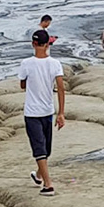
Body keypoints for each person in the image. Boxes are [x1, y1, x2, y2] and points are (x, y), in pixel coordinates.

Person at [19, 30, 66, 196]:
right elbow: (61, 87)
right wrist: (61, 113)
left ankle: (40, 176)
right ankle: (47, 184)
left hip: (35, 111)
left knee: (44, 149)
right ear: (47, 44)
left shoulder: (26, 63)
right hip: (46, 111)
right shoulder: (55, 63)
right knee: (42, 148)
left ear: (33, 44)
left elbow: (22, 85)